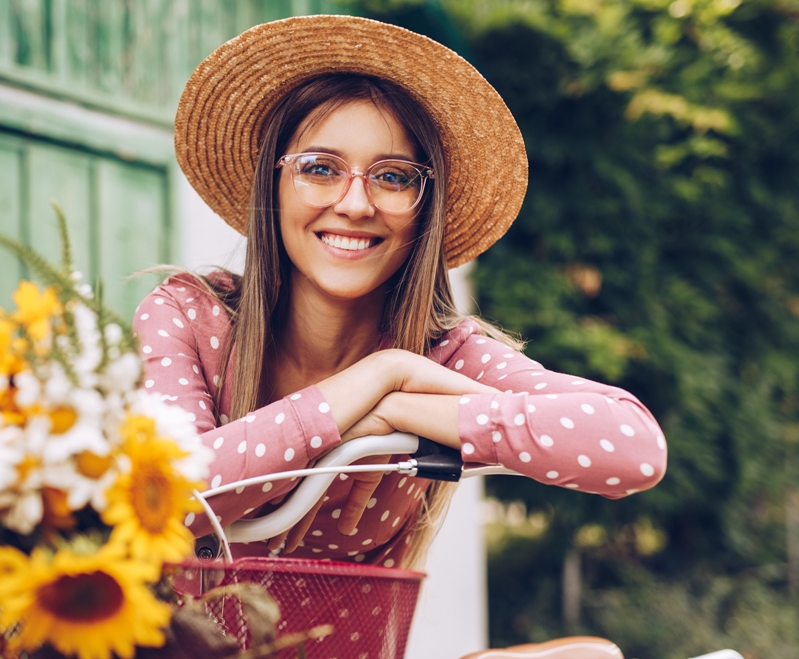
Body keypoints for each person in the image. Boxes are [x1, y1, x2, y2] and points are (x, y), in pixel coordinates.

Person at [134, 15, 667, 569]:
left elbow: (635, 447)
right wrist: (378, 378)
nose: (355, 204)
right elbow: (172, 495)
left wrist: (396, 410)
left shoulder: (442, 357)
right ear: (273, 184)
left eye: (393, 176)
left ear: (424, 209)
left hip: (357, 629)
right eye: (319, 168)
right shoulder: (191, 315)